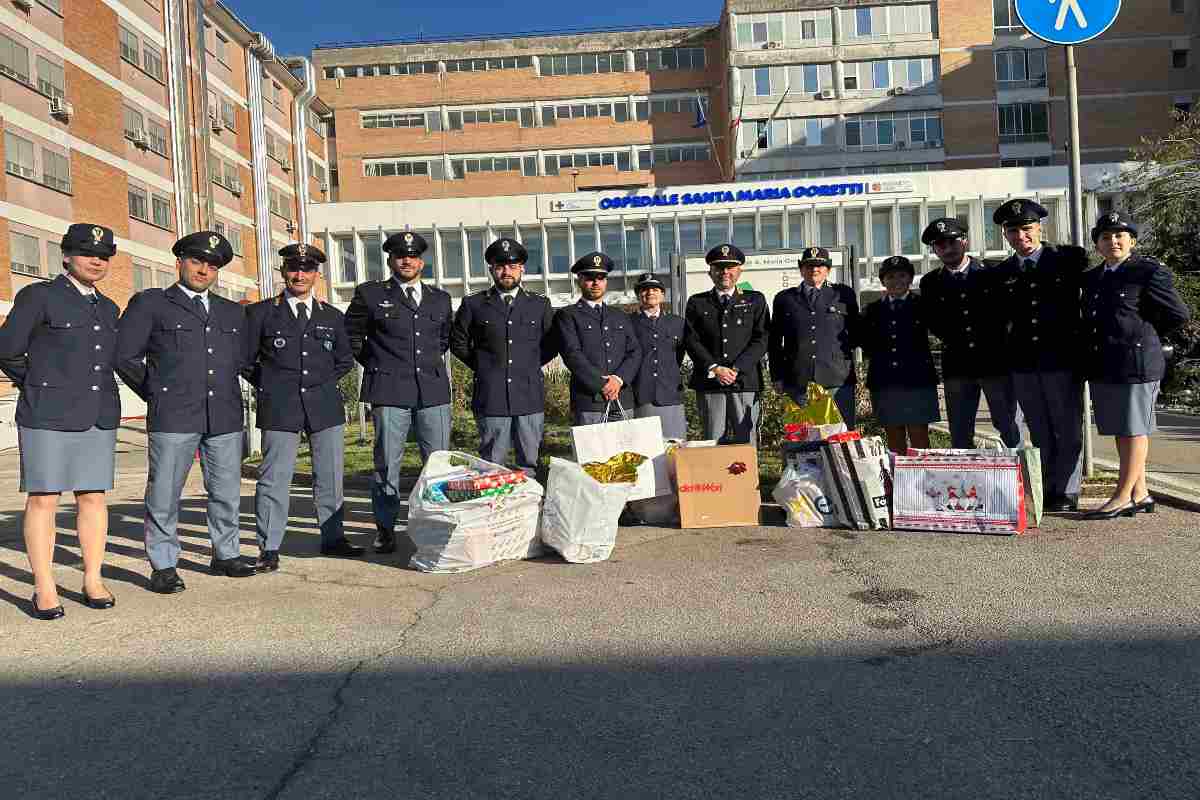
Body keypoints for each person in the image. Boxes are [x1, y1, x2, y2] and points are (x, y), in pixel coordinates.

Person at [117, 231, 257, 593]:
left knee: (226, 490)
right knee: (164, 493)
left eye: (212, 266)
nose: (204, 270)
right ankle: (163, 563)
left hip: (223, 415)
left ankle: (225, 553)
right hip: (174, 416)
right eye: (197, 261)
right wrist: (156, 392)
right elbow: (124, 355)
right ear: (179, 262)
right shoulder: (152, 304)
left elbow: (241, 361)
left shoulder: (231, 312)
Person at [0, 224, 121, 618]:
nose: (96, 260)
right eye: (86, 252)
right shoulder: (40, 296)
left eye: (103, 255)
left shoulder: (107, 307)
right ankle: (45, 587)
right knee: (44, 499)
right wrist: (41, 385)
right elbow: (8, 351)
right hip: (46, 415)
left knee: (93, 497)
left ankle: (92, 578)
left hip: (98, 413)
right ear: (66, 255)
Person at [243, 243, 361, 571]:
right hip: (280, 406)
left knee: (330, 476)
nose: (299, 275)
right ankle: (269, 547)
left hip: (324, 406)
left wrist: (318, 385)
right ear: (283, 272)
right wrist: (272, 384)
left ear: (316, 275)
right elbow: (245, 360)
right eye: (293, 268)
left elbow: (343, 361)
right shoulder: (261, 313)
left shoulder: (331, 317)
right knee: (273, 479)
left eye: (307, 269)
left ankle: (333, 538)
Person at [344, 231, 452, 554]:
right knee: (387, 462)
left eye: (414, 255)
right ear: (390, 260)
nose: (407, 260)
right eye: (400, 255)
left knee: (437, 463)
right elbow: (351, 336)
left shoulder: (440, 299)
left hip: (432, 391)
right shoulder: (370, 295)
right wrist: (378, 363)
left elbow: (443, 339)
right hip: (388, 389)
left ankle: (436, 523)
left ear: (422, 260)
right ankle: (386, 528)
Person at [1079, 211, 1191, 520]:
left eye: (1119, 235)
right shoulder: (1092, 278)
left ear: (1132, 240)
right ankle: (1140, 493)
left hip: (1137, 361)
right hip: (1105, 362)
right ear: (1097, 245)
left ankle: (1122, 495)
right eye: (1105, 237)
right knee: (1120, 429)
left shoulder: (1147, 272)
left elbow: (1177, 314)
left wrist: (1144, 333)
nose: (1113, 240)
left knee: (1135, 429)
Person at [993, 199, 1088, 512]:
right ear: (1005, 235)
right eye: (1013, 231)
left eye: (1026, 228)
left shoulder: (1068, 259)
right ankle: (1047, 485)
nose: (1021, 236)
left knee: (1068, 427)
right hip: (1023, 363)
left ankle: (1068, 489)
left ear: (1039, 228)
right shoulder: (1003, 273)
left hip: (1061, 359)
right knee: (1039, 428)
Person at [449, 237, 558, 472]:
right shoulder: (474, 304)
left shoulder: (539, 304)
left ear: (522, 269)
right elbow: (458, 342)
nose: (506, 271)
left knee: (528, 462)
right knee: (491, 463)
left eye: (512, 266)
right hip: (491, 396)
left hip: (529, 396)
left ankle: (528, 508)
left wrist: (528, 365)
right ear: (491, 269)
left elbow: (551, 343)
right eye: (500, 266)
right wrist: (483, 366)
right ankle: (495, 509)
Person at [917, 218, 1021, 448]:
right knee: (960, 431)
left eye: (952, 242)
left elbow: (1010, 313)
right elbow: (932, 320)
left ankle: (1021, 478)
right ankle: (967, 482)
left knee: (1008, 426)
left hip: (996, 364)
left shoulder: (993, 271)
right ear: (934, 249)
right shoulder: (931, 282)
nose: (947, 249)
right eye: (940, 245)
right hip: (958, 366)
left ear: (964, 241)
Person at [685, 244, 770, 445]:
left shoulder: (754, 300)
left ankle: (747, 478)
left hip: (744, 380)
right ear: (710, 272)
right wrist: (715, 368)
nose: (725, 272)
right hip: (710, 381)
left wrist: (736, 368)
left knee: (745, 438)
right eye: (719, 267)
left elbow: (762, 337)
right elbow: (691, 339)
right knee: (712, 439)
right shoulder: (697, 302)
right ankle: (716, 477)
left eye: (730, 267)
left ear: (739, 270)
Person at [768, 246, 858, 427]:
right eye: (809, 266)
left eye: (820, 265)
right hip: (798, 380)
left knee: (841, 438)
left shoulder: (843, 294)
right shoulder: (784, 298)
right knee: (803, 440)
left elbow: (856, 333)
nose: (814, 269)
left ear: (828, 270)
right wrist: (777, 376)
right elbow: (774, 342)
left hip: (836, 379)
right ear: (801, 269)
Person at [860, 256, 940, 453]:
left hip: (917, 381)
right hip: (885, 382)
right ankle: (900, 481)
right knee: (894, 439)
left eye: (902, 276)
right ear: (883, 281)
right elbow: (865, 343)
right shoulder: (872, 309)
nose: (896, 281)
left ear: (910, 279)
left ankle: (922, 481)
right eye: (890, 277)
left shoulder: (924, 305)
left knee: (920, 439)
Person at [554, 252, 642, 424]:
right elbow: (572, 354)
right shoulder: (568, 315)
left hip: (622, 398)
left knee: (625, 450)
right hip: (589, 401)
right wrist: (601, 384)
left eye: (601, 278)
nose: (596, 283)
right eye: (589, 278)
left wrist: (618, 380)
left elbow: (635, 351)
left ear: (606, 281)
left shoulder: (620, 316)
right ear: (579, 280)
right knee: (592, 451)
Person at [628, 273, 688, 440]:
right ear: (638, 295)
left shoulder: (678, 323)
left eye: (655, 289)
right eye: (644, 290)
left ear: (663, 294)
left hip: (670, 393)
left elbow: (679, 355)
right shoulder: (628, 322)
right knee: (644, 450)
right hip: (641, 395)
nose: (650, 293)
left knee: (674, 448)